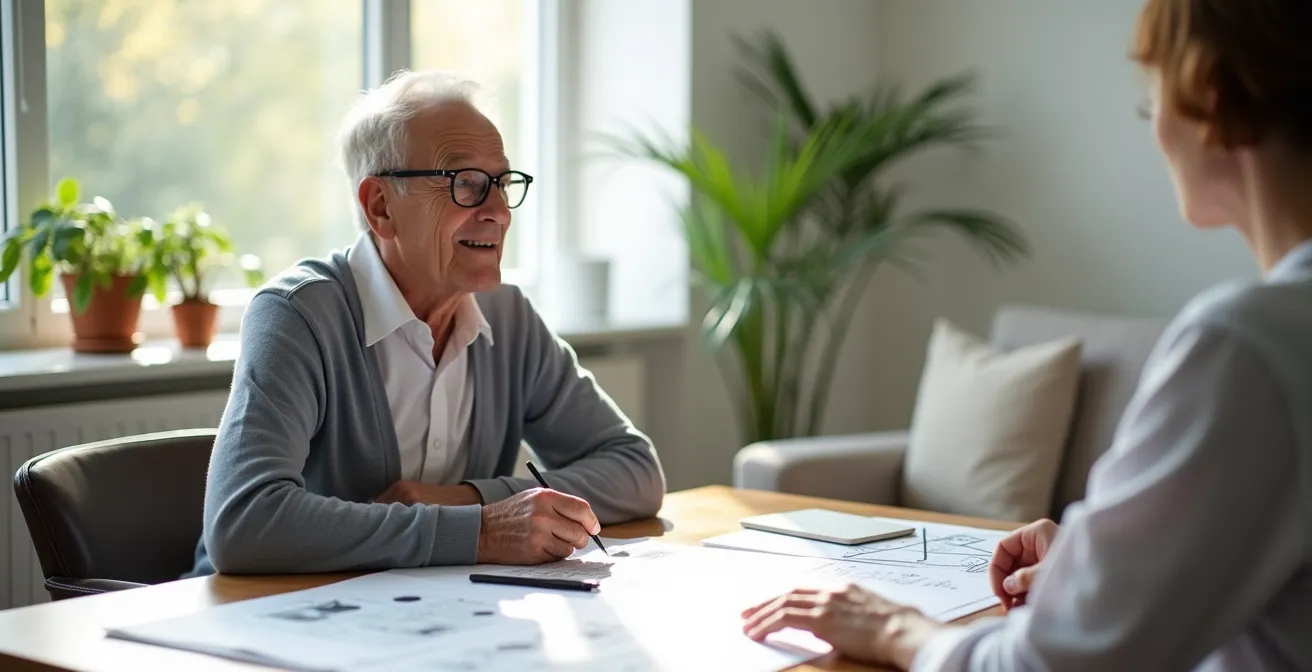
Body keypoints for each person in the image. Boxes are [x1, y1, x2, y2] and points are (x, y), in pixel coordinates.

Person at [741, 1, 1312, 669]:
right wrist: (1099, 561)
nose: (1153, 127)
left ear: (1208, 98)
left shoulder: (1250, 346)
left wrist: (897, 628)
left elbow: (1047, 666)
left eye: (1150, 101)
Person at [186, 70, 666, 576]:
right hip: (260, 621)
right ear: (381, 207)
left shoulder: (509, 318)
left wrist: (469, 499)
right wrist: (480, 530)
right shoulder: (299, 315)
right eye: (467, 185)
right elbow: (244, 523)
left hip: (422, 616)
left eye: (502, 183)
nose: (499, 212)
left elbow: (635, 471)